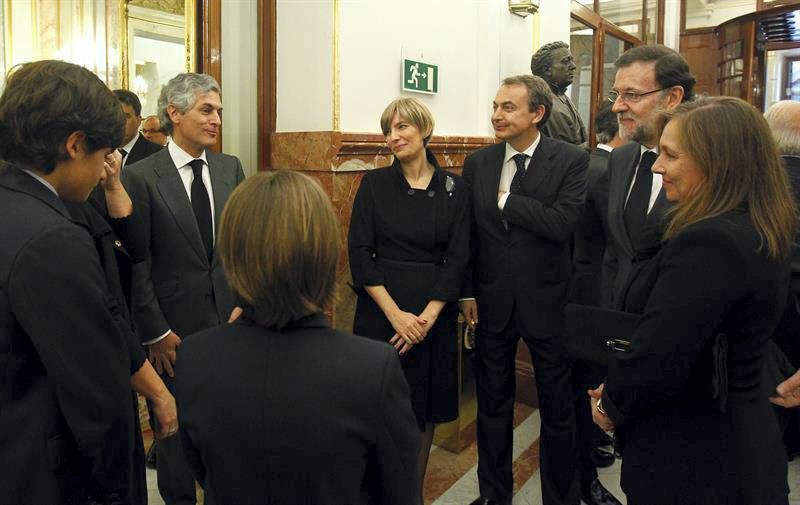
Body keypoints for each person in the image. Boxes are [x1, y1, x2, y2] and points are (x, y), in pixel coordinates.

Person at [590, 96, 796, 505]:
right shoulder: (759, 220)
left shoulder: (709, 241)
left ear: (718, 162)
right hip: (745, 435)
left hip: (696, 451)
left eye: (671, 154)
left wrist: (612, 403)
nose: (656, 165)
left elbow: (662, 353)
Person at [174, 170, 421, 504]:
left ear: (232, 253)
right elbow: (398, 492)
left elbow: (204, 470)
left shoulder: (194, 357)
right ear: (324, 254)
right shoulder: (372, 369)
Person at [0, 59, 140, 504]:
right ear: (75, 145)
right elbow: (96, 396)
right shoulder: (55, 238)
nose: (104, 173)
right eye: (102, 157)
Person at [461, 74, 588, 505]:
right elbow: (469, 237)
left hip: (549, 304)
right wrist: (466, 293)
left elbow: (562, 223)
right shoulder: (479, 163)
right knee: (492, 408)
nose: (497, 115)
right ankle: (494, 495)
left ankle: (560, 496)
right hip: (492, 303)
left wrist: (507, 201)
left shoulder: (571, 160)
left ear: (538, 113)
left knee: (558, 410)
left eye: (509, 107)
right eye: (495, 106)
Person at [122, 72, 245, 505]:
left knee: (225, 429)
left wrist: (245, 303)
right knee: (174, 432)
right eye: (206, 110)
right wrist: (154, 331)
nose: (216, 120)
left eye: (219, 112)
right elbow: (139, 261)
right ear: (174, 113)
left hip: (230, 325)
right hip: (172, 334)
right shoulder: (140, 176)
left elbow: (239, 245)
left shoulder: (230, 168)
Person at [348, 97, 470, 504]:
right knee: (376, 409)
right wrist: (396, 316)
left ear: (423, 129)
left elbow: (458, 257)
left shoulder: (454, 187)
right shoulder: (374, 184)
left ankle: (411, 495)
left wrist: (428, 317)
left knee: (421, 412)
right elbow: (359, 254)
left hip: (431, 317)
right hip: (382, 313)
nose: (393, 136)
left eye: (402, 127)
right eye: (388, 129)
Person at [604, 44, 695, 308]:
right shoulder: (619, 159)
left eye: (631, 95)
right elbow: (615, 251)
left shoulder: (704, 166)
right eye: (616, 95)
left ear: (672, 97)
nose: (617, 108)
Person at [566, 100, 624, 505]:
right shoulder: (610, 175)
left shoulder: (580, 165)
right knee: (588, 391)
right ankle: (585, 476)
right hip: (600, 302)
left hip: (574, 297)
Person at [531, 41, 587, 147]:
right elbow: (563, 152)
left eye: (572, 61)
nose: (573, 66)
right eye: (566, 61)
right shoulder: (544, 103)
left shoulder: (562, 97)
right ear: (547, 69)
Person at [113, 90, 163, 167]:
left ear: (138, 120)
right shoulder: (99, 153)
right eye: (113, 117)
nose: (119, 122)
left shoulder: (158, 155)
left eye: (125, 117)